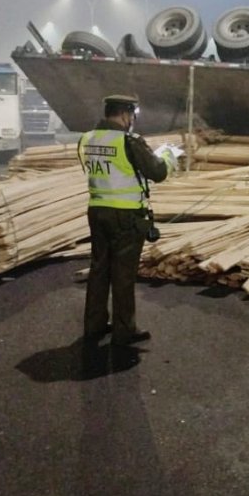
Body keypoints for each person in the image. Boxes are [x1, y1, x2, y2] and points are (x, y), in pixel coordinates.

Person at [78, 94, 180, 347]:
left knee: (99, 269)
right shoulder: (129, 141)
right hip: (125, 215)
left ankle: (95, 325)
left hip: (96, 211)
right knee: (123, 274)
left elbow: (92, 168)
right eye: (132, 116)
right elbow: (157, 172)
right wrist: (168, 156)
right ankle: (125, 332)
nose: (132, 121)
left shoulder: (87, 139)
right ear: (125, 114)